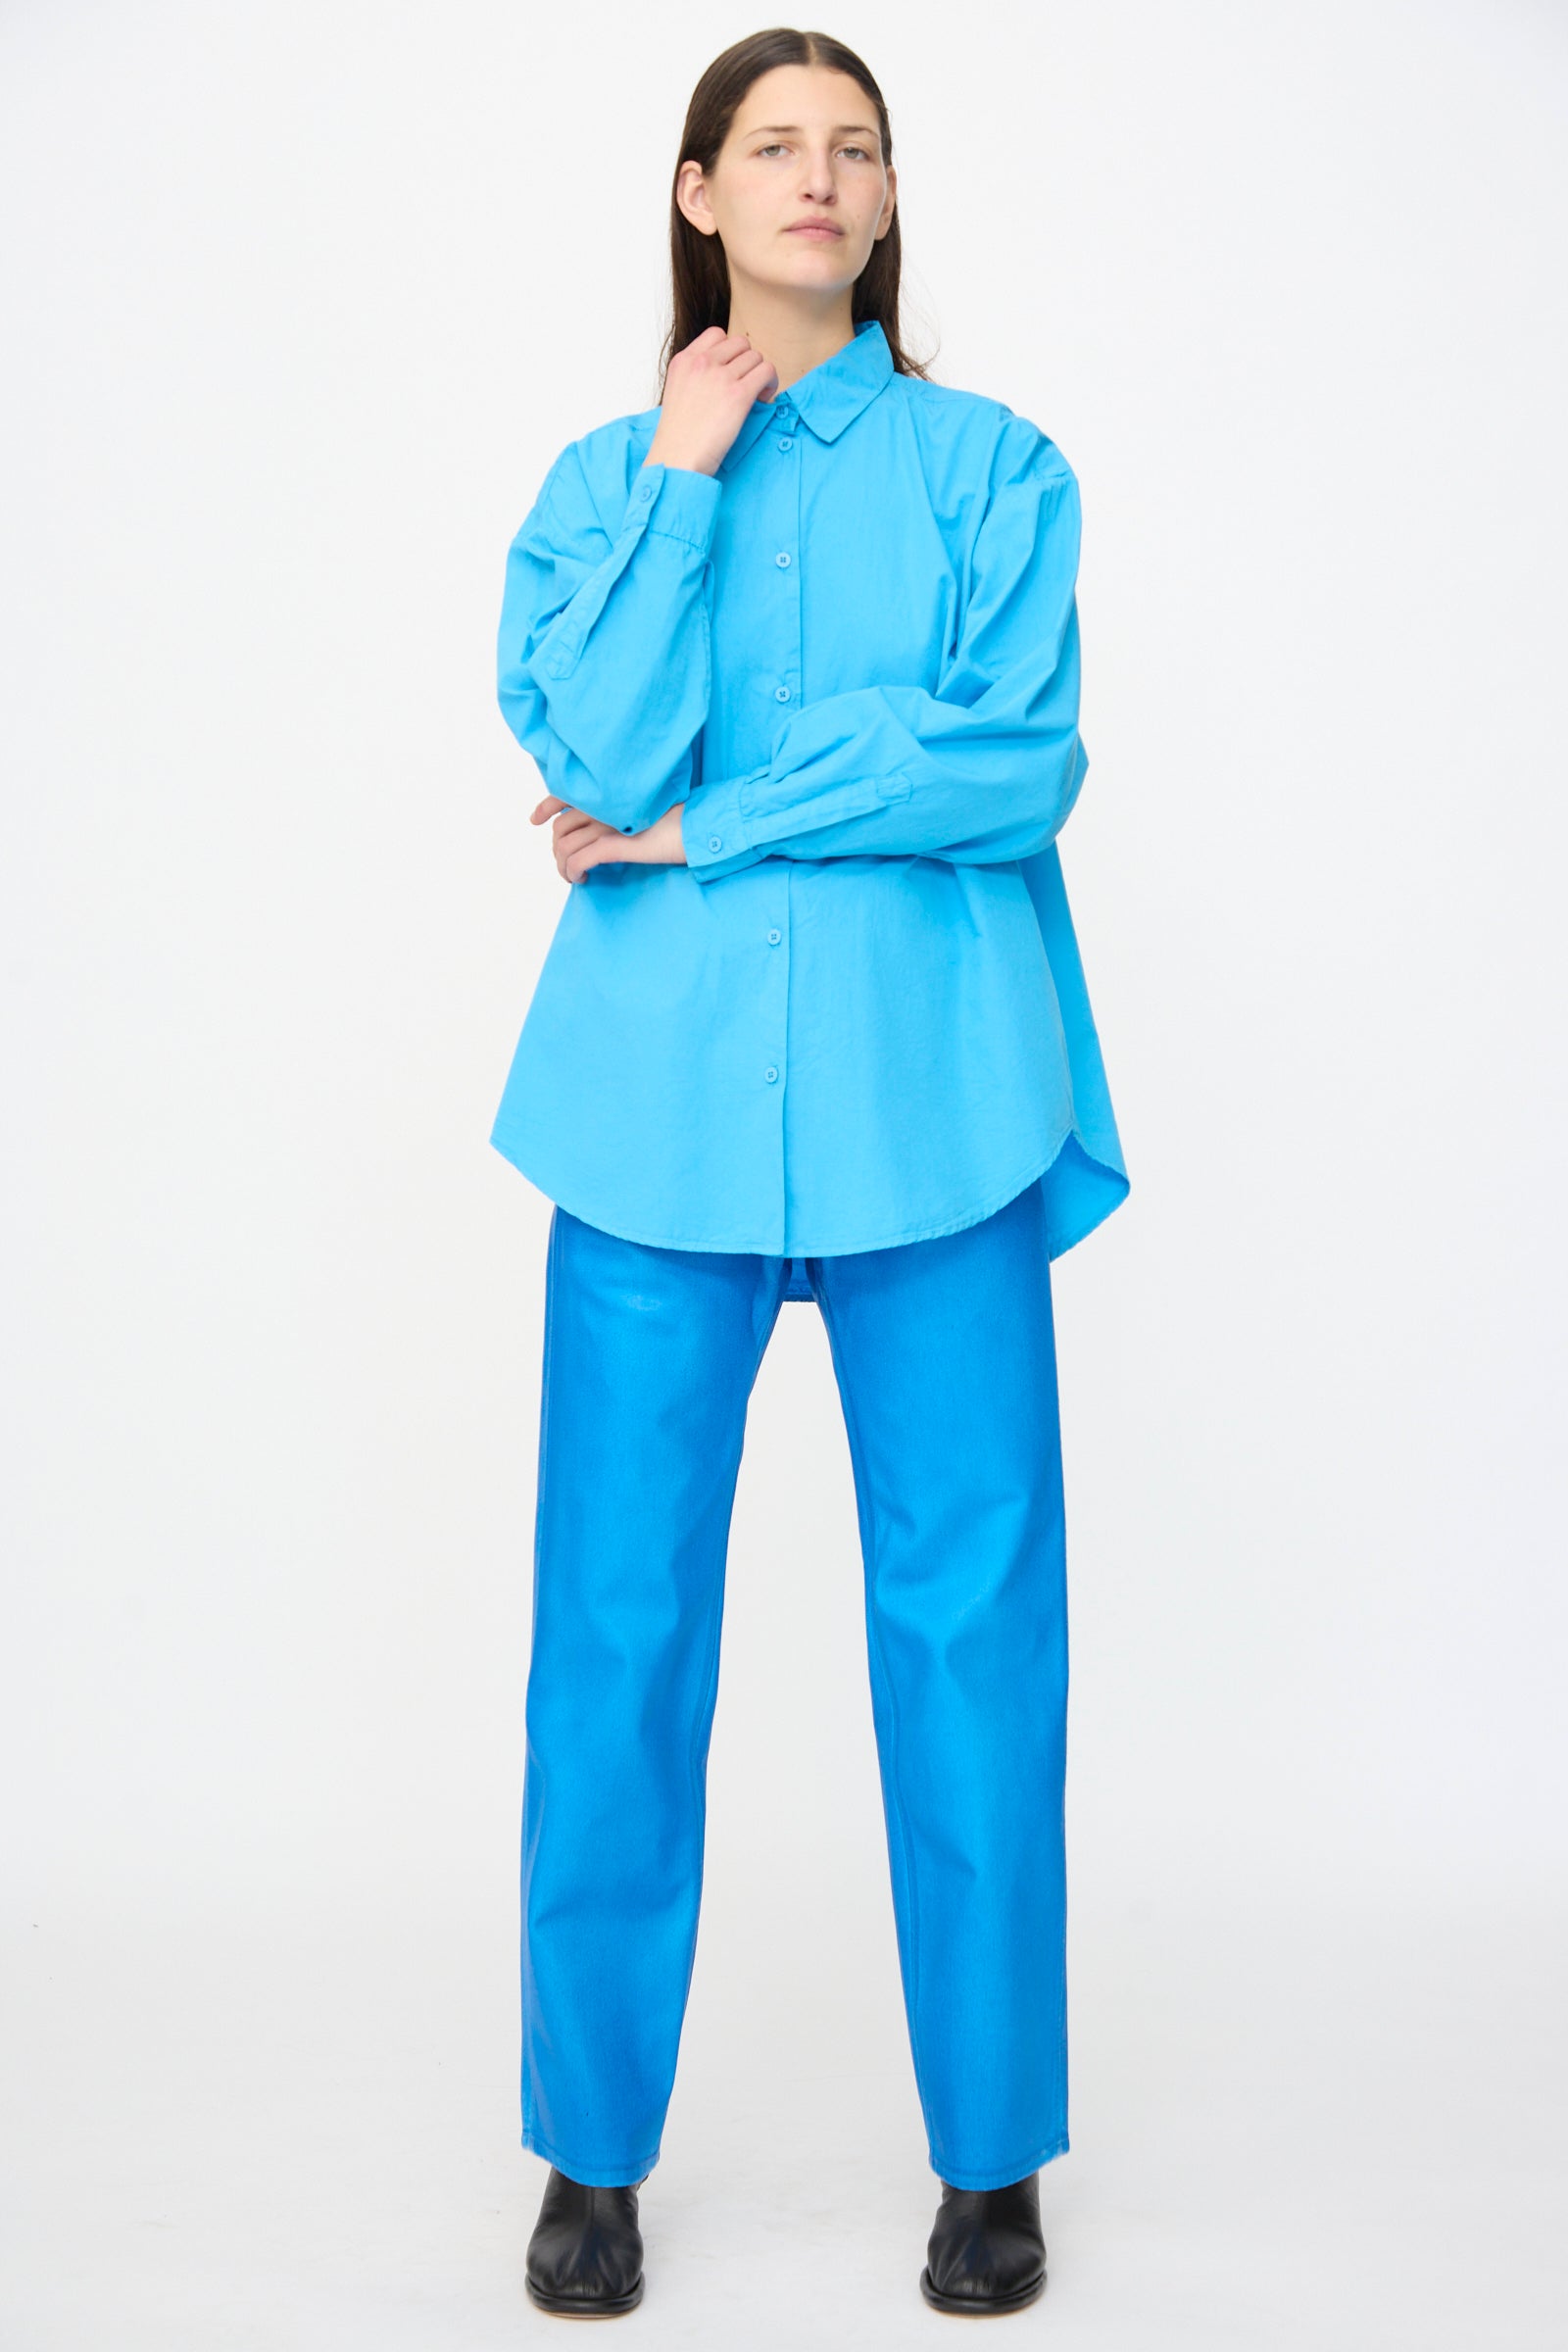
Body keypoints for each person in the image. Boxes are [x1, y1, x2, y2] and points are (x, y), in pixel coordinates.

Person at [489, 25, 1130, 2321]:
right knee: (614, 1642)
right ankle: (588, 2154)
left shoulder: (994, 472)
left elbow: (1008, 760)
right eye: (774, 144)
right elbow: (585, 738)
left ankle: (987, 2156)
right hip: (645, 1129)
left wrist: (709, 830)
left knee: (973, 1640)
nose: (821, 176)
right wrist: (681, 474)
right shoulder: (595, 481)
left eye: (854, 147)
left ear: (883, 202)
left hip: (930, 1114)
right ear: (694, 191)